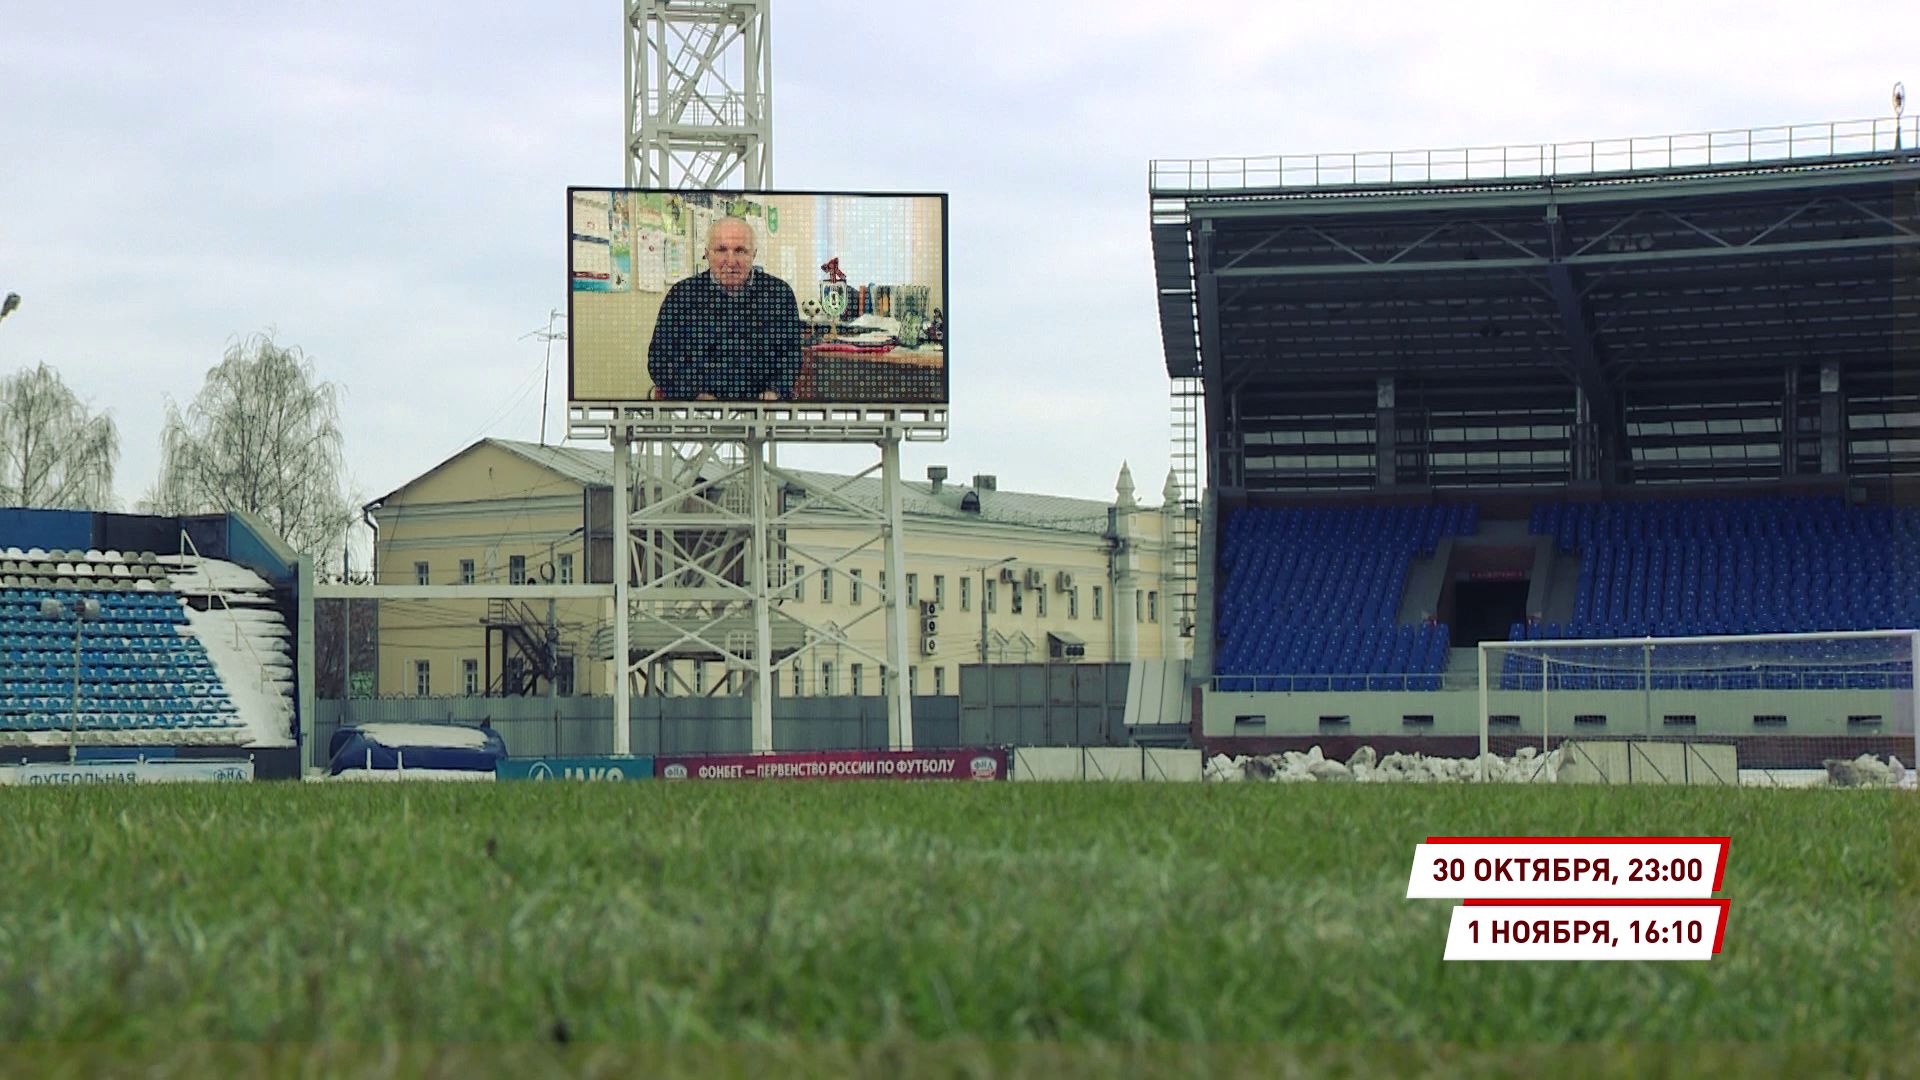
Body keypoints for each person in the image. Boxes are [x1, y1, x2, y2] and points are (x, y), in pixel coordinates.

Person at [646, 216, 802, 400]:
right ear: (707, 253)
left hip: (761, 409)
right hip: (697, 410)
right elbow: (659, 360)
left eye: (740, 251)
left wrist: (775, 391)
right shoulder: (682, 295)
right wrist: (694, 394)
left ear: (754, 254)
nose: (730, 260)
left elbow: (791, 356)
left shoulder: (779, 295)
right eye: (721, 250)